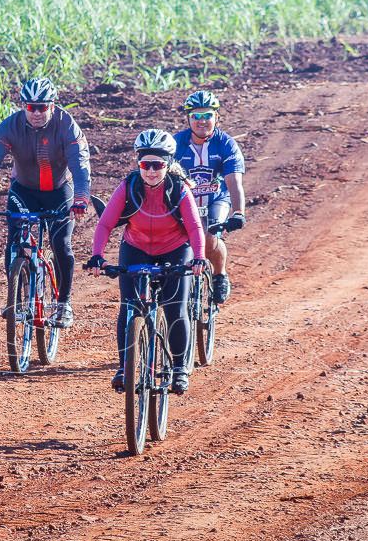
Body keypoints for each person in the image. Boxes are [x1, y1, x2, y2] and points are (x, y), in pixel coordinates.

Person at [85, 130, 207, 394]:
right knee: (128, 309)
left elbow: (196, 228)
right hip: (136, 248)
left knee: (176, 308)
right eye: (145, 165)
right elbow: (105, 224)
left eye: (158, 165)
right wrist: (97, 255)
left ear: (168, 164)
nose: (151, 171)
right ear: (138, 164)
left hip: (175, 250)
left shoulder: (179, 189)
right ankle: (123, 367)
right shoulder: (128, 187)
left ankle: (178, 368)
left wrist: (198, 257)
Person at [0, 77, 90, 328]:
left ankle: (64, 304)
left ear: (53, 106)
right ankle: (17, 301)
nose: (37, 112)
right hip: (23, 191)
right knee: (14, 242)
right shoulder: (10, 126)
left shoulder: (67, 126)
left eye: (43, 106)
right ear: (24, 106)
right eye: (31, 107)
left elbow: (80, 164)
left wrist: (81, 199)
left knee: (60, 243)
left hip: (60, 190)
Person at [172, 90, 247, 304]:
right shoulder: (176, 144)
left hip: (217, 199)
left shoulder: (227, 144)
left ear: (217, 117)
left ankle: (219, 274)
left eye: (207, 115)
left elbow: (234, 182)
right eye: (196, 116)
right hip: (186, 201)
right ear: (188, 118)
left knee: (209, 236)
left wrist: (239, 212)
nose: (202, 121)